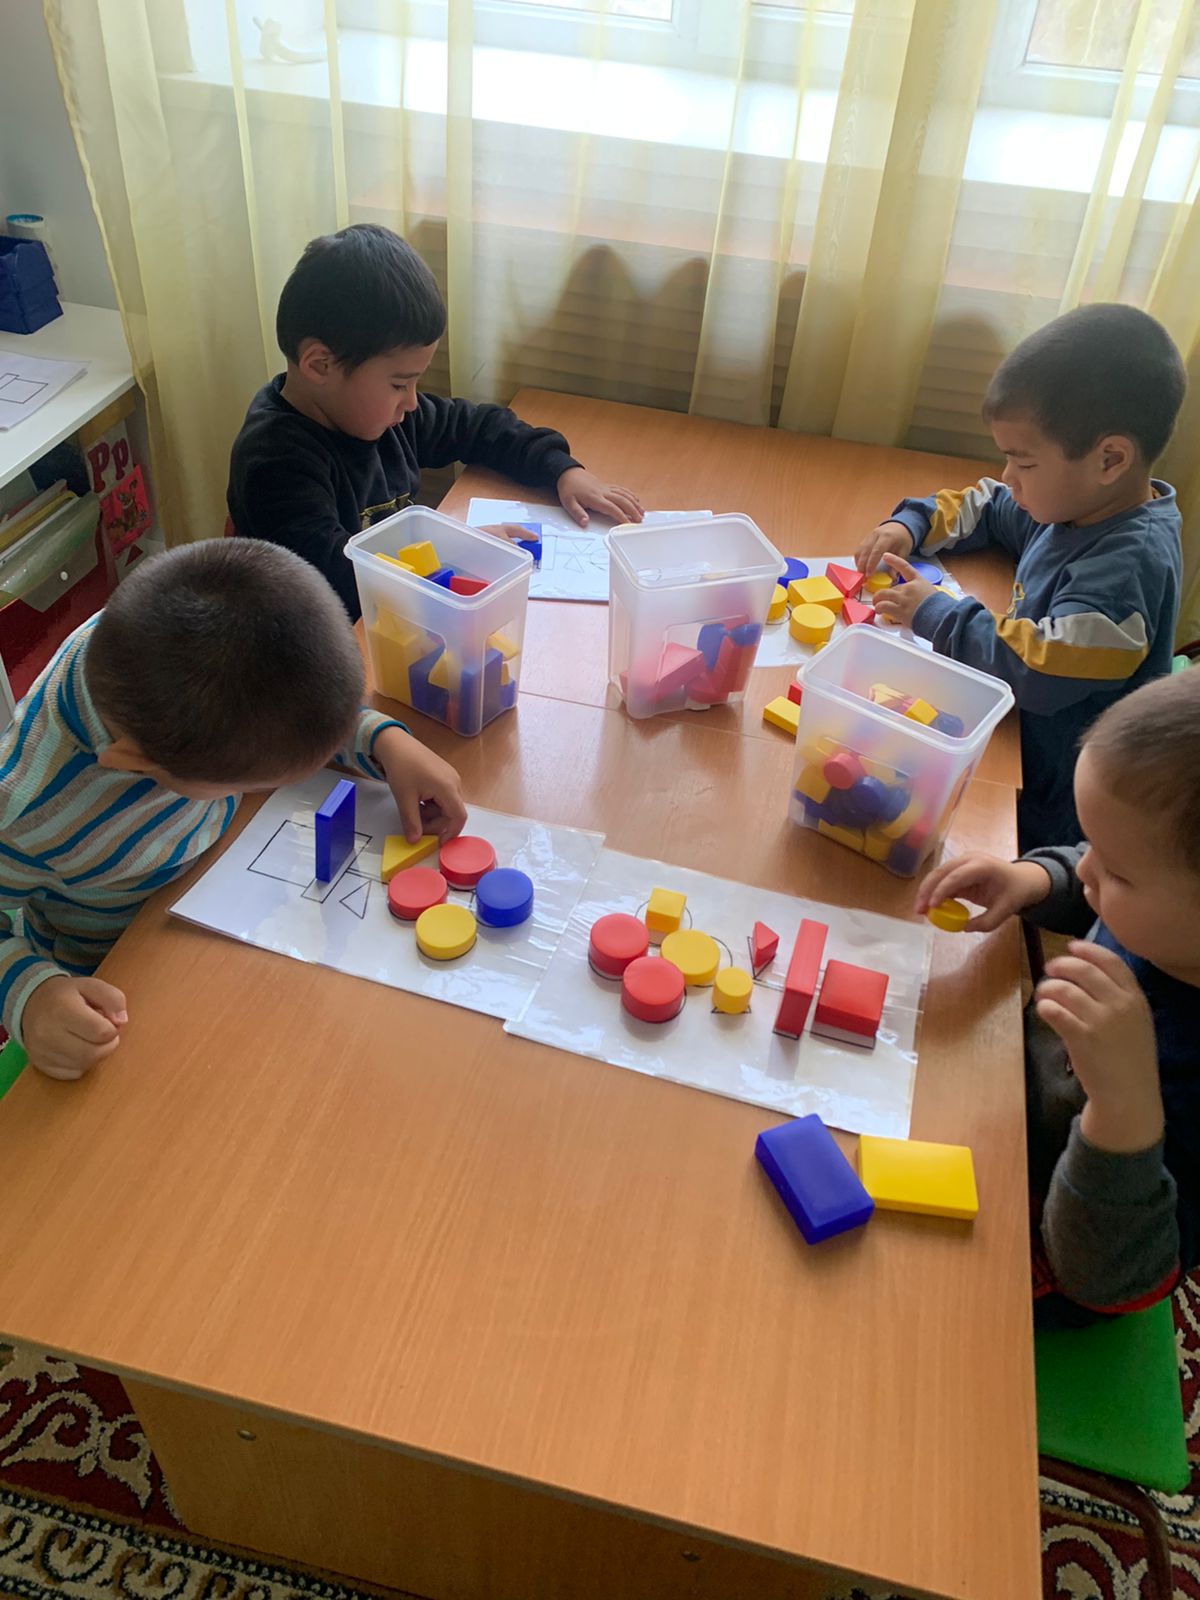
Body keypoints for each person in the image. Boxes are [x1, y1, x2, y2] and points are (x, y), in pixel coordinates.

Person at [0, 539, 466, 1082]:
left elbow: (280, 711)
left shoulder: (165, 658)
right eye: (250, 784)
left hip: (222, 907)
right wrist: (31, 996)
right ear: (134, 764)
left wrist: (381, 739)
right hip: (119, 976)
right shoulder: (27, 812)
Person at [916, 668, 1200, 1327]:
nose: (1087, 867)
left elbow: (1116, 1277)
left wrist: (1124, 1108)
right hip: (1010, 1101)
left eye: (1116, 871)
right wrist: (1035, 880)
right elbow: (1093, 869)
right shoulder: (1163, 916)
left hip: (1059, 1240)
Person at [855, 304, 1185, 850]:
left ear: (1110, 460)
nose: (1009, 476)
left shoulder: (1127, 570)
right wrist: (912, 523)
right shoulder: (1077, 504)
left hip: (1061, 809)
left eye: (1024, 463)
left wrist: (934, 613)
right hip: (1015, 744)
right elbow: (990, 505)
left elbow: (1042, 668)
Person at [228, 223, 644, 618]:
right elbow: (336, 576)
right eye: (399, 384)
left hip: (393, 618)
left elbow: (478, 426)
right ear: (320, 365)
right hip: (318, 642)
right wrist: (454, 555)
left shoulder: (385, 417)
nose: (412, 402)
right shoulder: (276, 462)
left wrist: (561, 470)